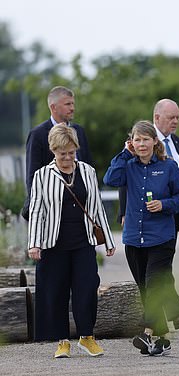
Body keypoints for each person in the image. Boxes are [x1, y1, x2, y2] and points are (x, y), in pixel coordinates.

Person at [27, 124, 115, 358]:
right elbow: (37, 210)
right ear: (53, 151)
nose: (67, 158)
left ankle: (87, 338)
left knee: (87, 288)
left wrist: (107, 240)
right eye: (62, 153)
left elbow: (97, 206)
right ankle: (62, 341)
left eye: (71, 152)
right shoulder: (42, 175)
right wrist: (34, 242)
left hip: (82, 241)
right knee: (56, 292)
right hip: (53, 243)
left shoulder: (87, 171)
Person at [103, 120, 179, 357]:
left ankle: (146, 332)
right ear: (132, 142)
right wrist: (123, 153)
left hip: (161, 238)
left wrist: (164, 204)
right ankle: (162, 340)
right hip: (133, 238)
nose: (141, 144)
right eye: (137, 140)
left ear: (154, 142)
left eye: (145, 139)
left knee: (153, 286)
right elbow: (110, 179)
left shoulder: (168, 167)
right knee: (145, 289)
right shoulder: (128, 166)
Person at [118, 99, 179, 330]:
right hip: (140, 220)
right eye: (171, 117)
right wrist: (124, 211)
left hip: (170, 213)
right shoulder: (137, 149)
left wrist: (170, 207)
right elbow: (123, 182)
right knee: (157, 274)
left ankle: (156, 322)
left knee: (159, 271)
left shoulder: (177, 144)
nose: (175, 122)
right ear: (156, 119)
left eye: (177, 118)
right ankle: (171, 318)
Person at [23, 86, 93, 220]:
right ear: (53, 107)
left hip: (80, 207)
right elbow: (32, 177)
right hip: (53, 209)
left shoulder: (79, 131)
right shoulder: (38, 135)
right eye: (68, 104)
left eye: (73, 104)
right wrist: (40, 211)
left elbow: (88, 166)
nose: (72, 108)